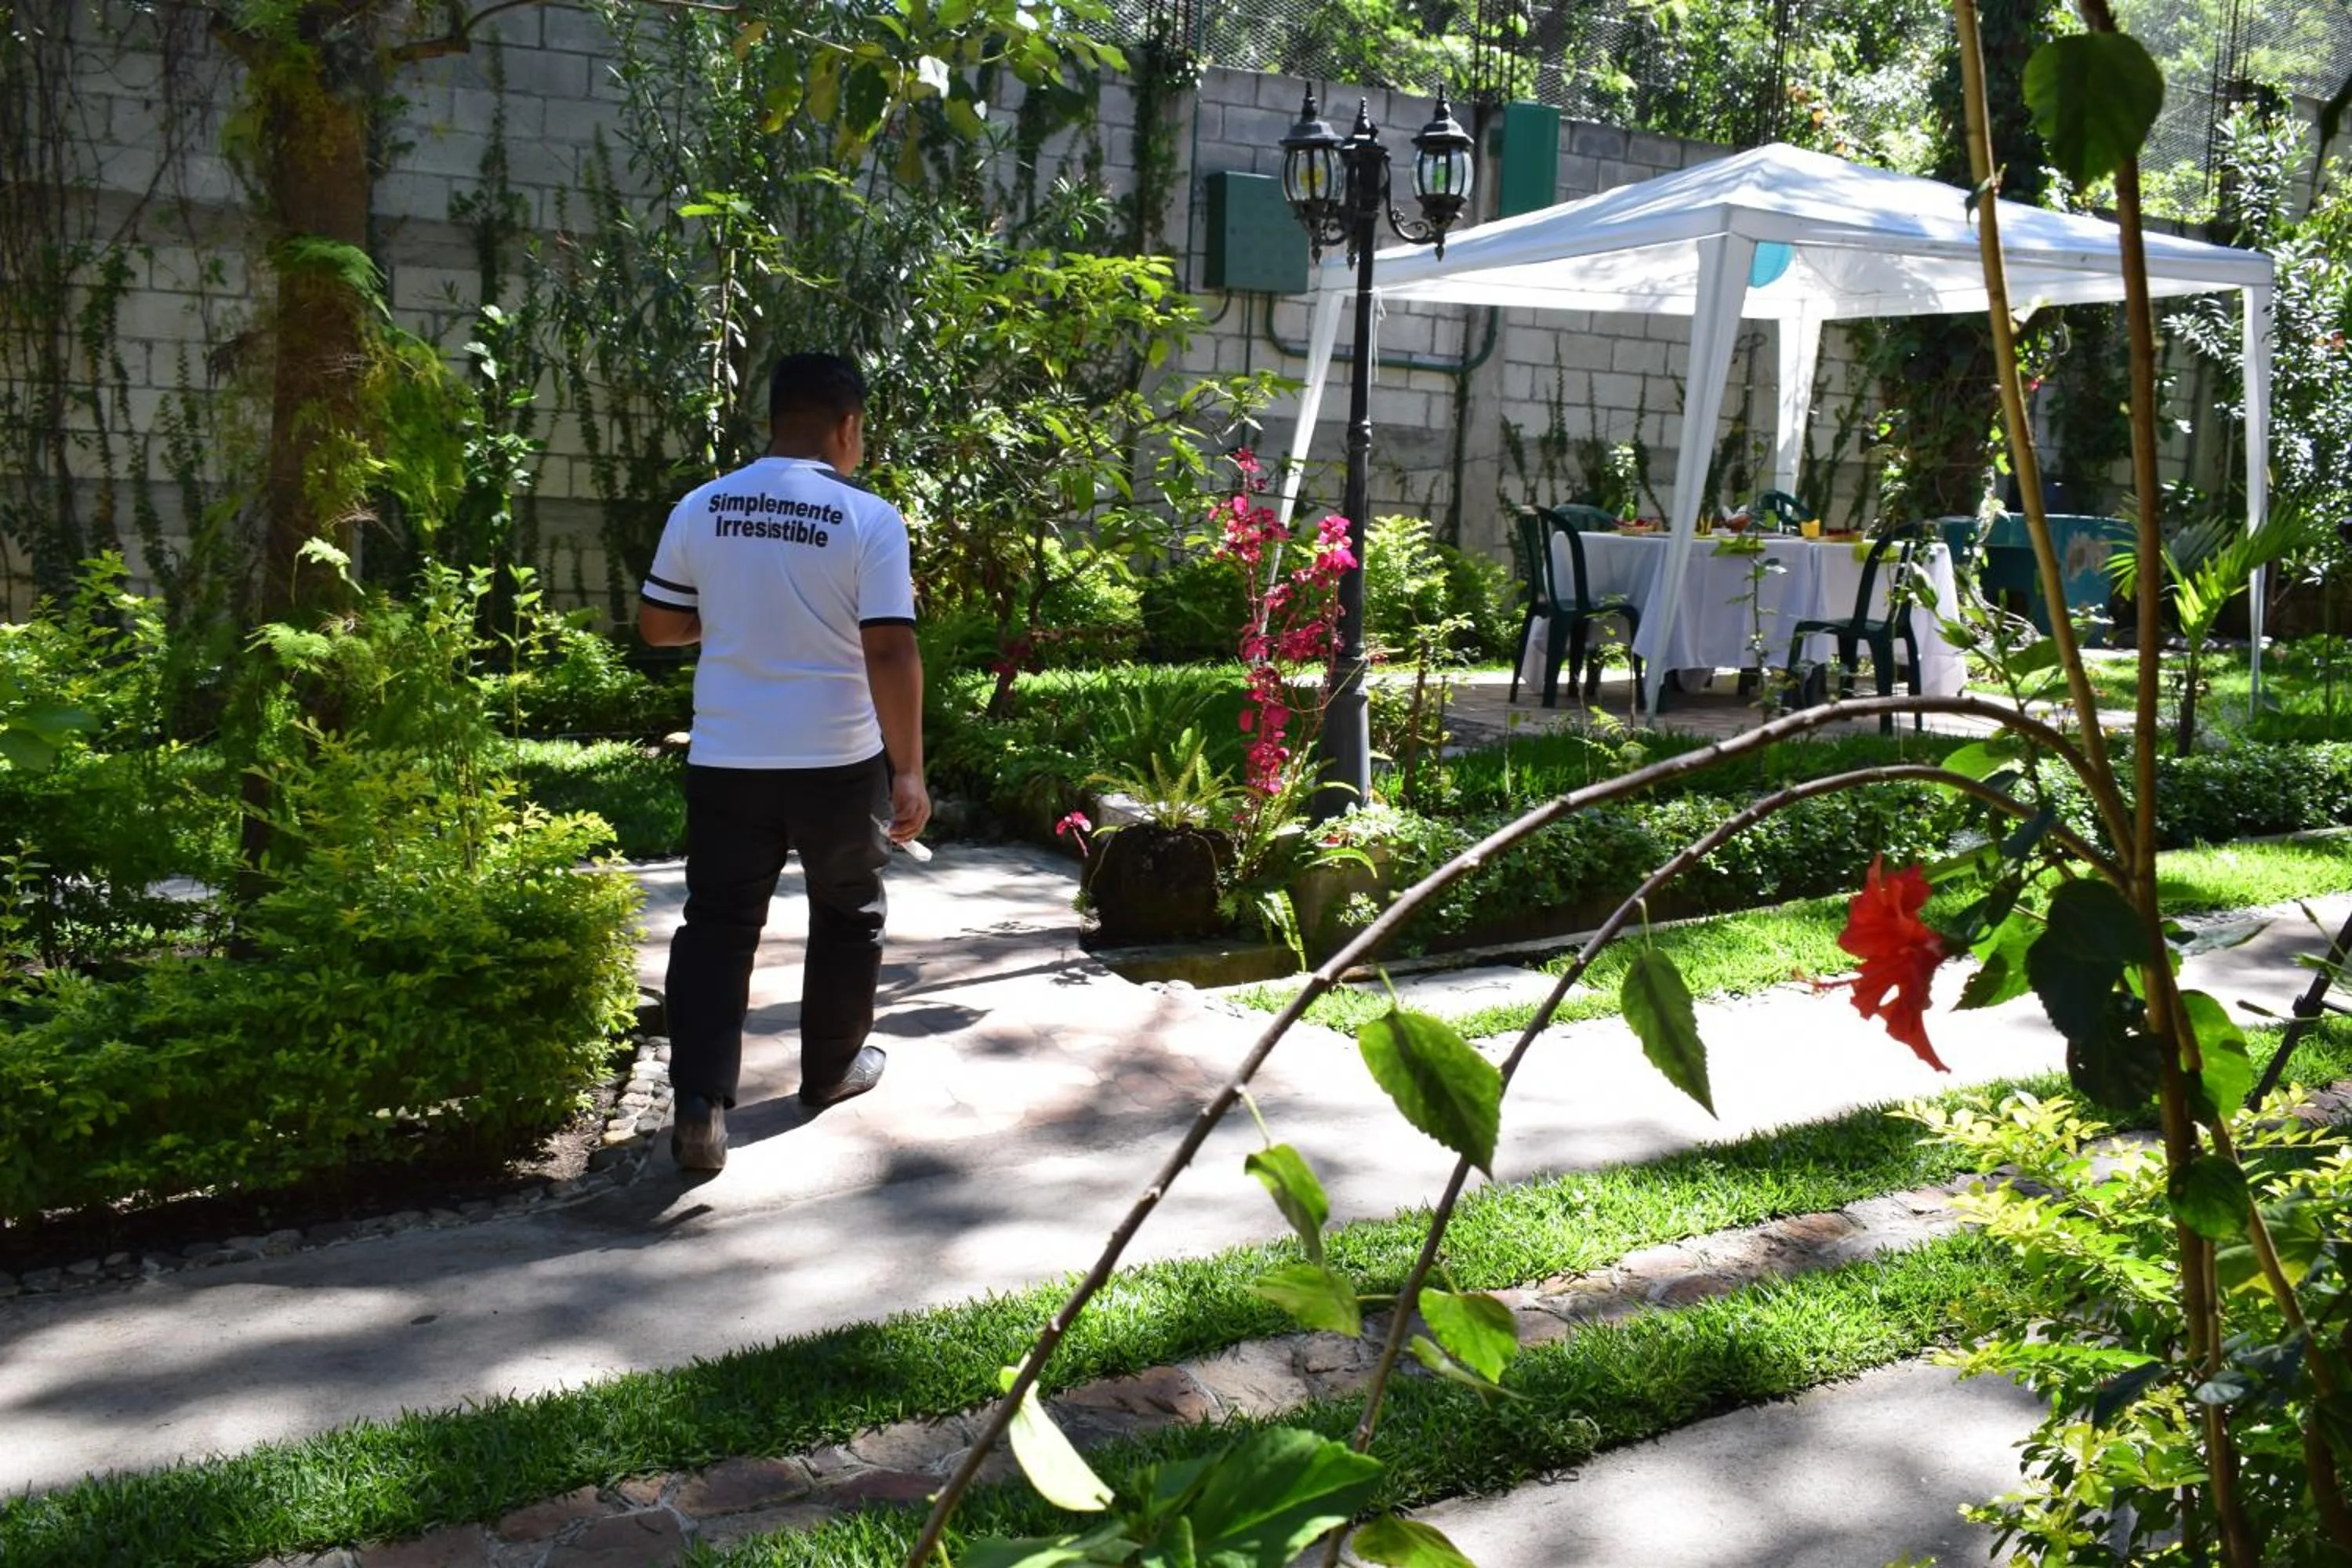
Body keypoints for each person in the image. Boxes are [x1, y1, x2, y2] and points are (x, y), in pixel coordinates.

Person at [637, 352, 929, 1173]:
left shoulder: (702, 506)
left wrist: (727, 621)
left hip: (728, 756)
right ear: (847, 427)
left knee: (718, 925)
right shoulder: (867, 519)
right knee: (848, 910)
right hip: (838, 761)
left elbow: (658, 626)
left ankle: (699, 1103)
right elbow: (892, 648)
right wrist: (908, 769)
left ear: (773, 420)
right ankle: (830, 1069)